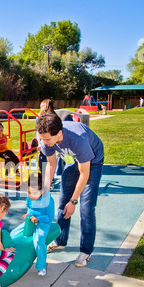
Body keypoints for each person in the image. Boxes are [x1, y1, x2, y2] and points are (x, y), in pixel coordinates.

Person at [36, 112, 104, 268]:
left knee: (86, 208)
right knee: (62, 203)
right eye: (42, 138)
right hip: (76, 160)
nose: (44, 142)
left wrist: (73, 201)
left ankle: (86, 251)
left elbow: (84, 173)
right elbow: (52, 165)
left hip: (93, 161)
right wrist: (45, 190)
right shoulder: (47, 141)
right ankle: (60, 240)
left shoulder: (77, 139)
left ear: (59, 133)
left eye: (47, 139)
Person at [14, 172, 54, 276]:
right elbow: (30, 208)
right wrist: (28, 215)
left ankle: (42, 265)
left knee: (39, 240)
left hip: (43, 223)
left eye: (34, 193)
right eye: (29, 192)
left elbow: (49, 217)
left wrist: (38, 219)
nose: (31, 196)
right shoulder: (29, 198)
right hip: (31, 220)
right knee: (14, 233)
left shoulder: (48, 200)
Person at [38, 99, 55, 173]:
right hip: (45, 141)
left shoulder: (50, 117)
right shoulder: (43, 116)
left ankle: (46, 176)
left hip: (49, 141)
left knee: (45, 159)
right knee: (44, 159)